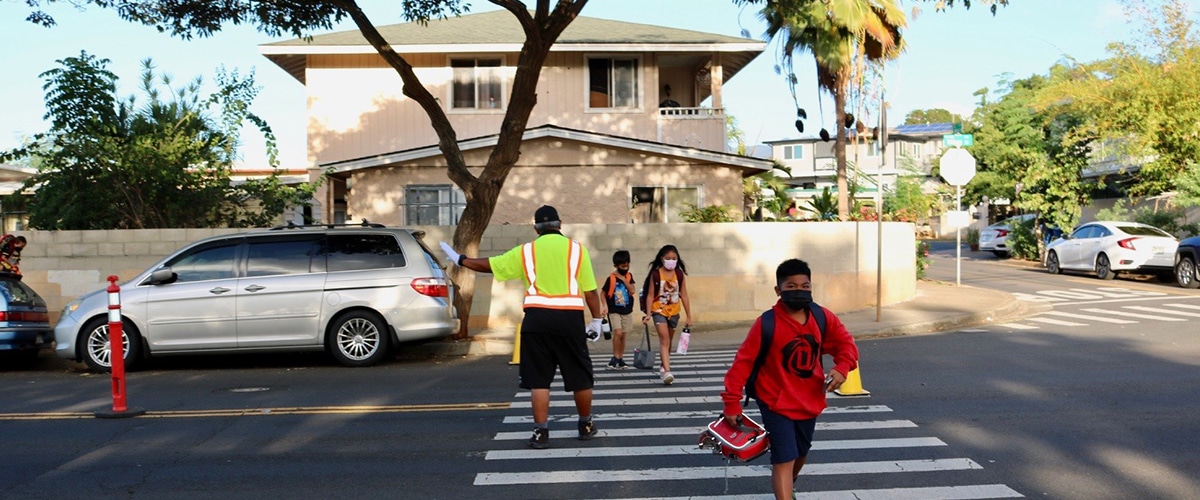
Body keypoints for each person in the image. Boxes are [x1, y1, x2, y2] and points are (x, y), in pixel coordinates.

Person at [439, 205, 605, 450]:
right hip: (569, 319)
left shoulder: (526, 251)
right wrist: (597, 319)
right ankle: (585, 425)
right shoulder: (577, 250)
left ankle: (541, 433)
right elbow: (590, 290)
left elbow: (490, 265)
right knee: (580, 377)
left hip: (537, 320)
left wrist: (462, 260)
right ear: (560, 224)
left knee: (539, 380)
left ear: (535, 228)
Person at [720, 259, 859, 500]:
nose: (799, 291)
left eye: (805, 286)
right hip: (775, 401)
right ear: (778, 290)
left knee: (801, 452)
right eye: (791, 286)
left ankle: (788, 483)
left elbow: (846, 344)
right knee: (784, 458)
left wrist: (842, 367)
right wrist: (732, 402)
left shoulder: (821, 317)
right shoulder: (766, 323)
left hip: (810, 398)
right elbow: (742, 364)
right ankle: (784, 488)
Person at [641, 244, 691, 385]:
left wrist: (689, 316)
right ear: (662, 259)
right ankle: (667, 371)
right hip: (659, 311)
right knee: (664, 340)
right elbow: (650, 295)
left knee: (668, 342)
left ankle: (663, 365)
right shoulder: (656, 274)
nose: (671, 261)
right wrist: (649, 313)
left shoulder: (679, 275)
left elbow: (685, 296)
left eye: (674, 258)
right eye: (668, 258)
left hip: (674, 311)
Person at [600, 250, 636, 370]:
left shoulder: (629, 276)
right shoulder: (611, 279)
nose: (625, 268)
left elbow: (632, 290)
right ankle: (615, 356)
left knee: (624, 335)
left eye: (627, 265)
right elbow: (603, 293)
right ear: (616, 266)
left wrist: (624, 279)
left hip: (627, 310)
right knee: (618, 333)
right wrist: (604, 306)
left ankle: (620, 357)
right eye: (622, 266)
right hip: (614, 310)